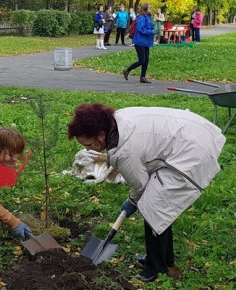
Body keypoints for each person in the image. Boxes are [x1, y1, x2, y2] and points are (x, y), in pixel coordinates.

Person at [68, 103, 226, 283]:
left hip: (191, 149)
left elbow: (140, 185)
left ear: (101, 135)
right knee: (159, 203)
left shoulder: (124, 150)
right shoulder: (116, 121)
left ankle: (155, 268)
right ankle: (164, 260)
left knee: (153, 206)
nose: (88, 149)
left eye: (88, 144)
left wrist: (131, 202)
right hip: (191, 132)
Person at [122, 3, 154, 83]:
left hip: (145, 41)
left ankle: (142, 77)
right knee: (142, 60)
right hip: (139, 41)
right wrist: (151, 32)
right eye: (149, 8)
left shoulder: (148, 17)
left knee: (146, 60)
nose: (151, 9)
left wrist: (153, 31)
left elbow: (148, 28)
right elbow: (141, 29)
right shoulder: (141, 18)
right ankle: (127, 70)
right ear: (145, 9)